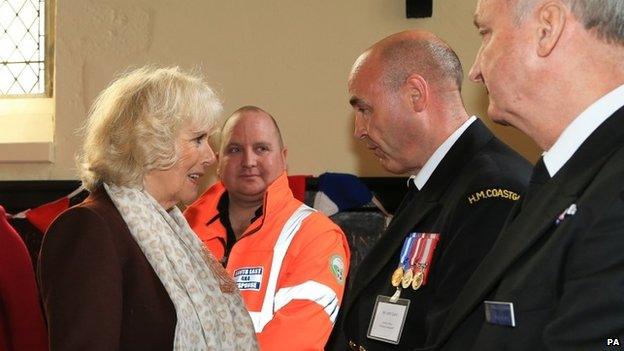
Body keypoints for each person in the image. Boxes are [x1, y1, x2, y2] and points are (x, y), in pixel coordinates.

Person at [426, 0, 624, 350]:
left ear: (547, 29)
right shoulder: (568, 175)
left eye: (486, 32)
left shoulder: (613, 192)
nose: (474, 70)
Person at [327, 30, 531, 350]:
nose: (359, 131)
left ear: (416, 94)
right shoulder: (433, 183)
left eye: (365, 109)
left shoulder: (492, 192)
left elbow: (464, 338)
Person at [38, 66, 258, 350]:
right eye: (198, 140)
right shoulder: (90, 228)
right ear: (150, 142)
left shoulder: (176, 231)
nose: (210, 156)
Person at [184, 106, 350, 350]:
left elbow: (295, 340)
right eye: (235, 150)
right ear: (218, 163)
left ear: (283, 158)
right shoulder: (184, 227)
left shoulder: (317, 235)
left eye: (261, 148)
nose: (249, 161)